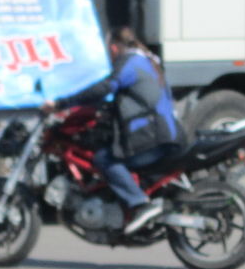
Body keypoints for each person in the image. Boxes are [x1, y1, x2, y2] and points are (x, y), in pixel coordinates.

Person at [42, 26, 181, 234]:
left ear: (114, 48)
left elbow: (105, 87)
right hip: (165, 134)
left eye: (108, 50)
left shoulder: (129, 63)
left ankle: (139, 204)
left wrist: (63, 103)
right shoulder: (149, 61)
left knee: (103, 159)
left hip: (152, 137)